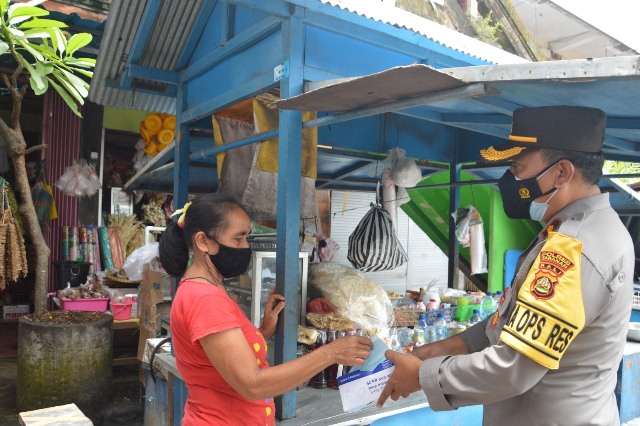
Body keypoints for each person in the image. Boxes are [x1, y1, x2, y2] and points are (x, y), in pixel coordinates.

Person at [377, 106, 635, 425]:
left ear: (562, 173)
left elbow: (514, 366)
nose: (510, 179)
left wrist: (422, 375)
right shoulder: (577, 231)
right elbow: (510, 326)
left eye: (518, 166)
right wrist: (437, 350)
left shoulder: (574, 249)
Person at [159, 193, 372, 425]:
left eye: (247, 238)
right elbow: (252, 383)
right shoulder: (204, 298)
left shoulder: (204, 287)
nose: (246, 247)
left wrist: (264, 331)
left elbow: (222, 357)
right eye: (238, 239)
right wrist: (330, 353)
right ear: (202, 241)